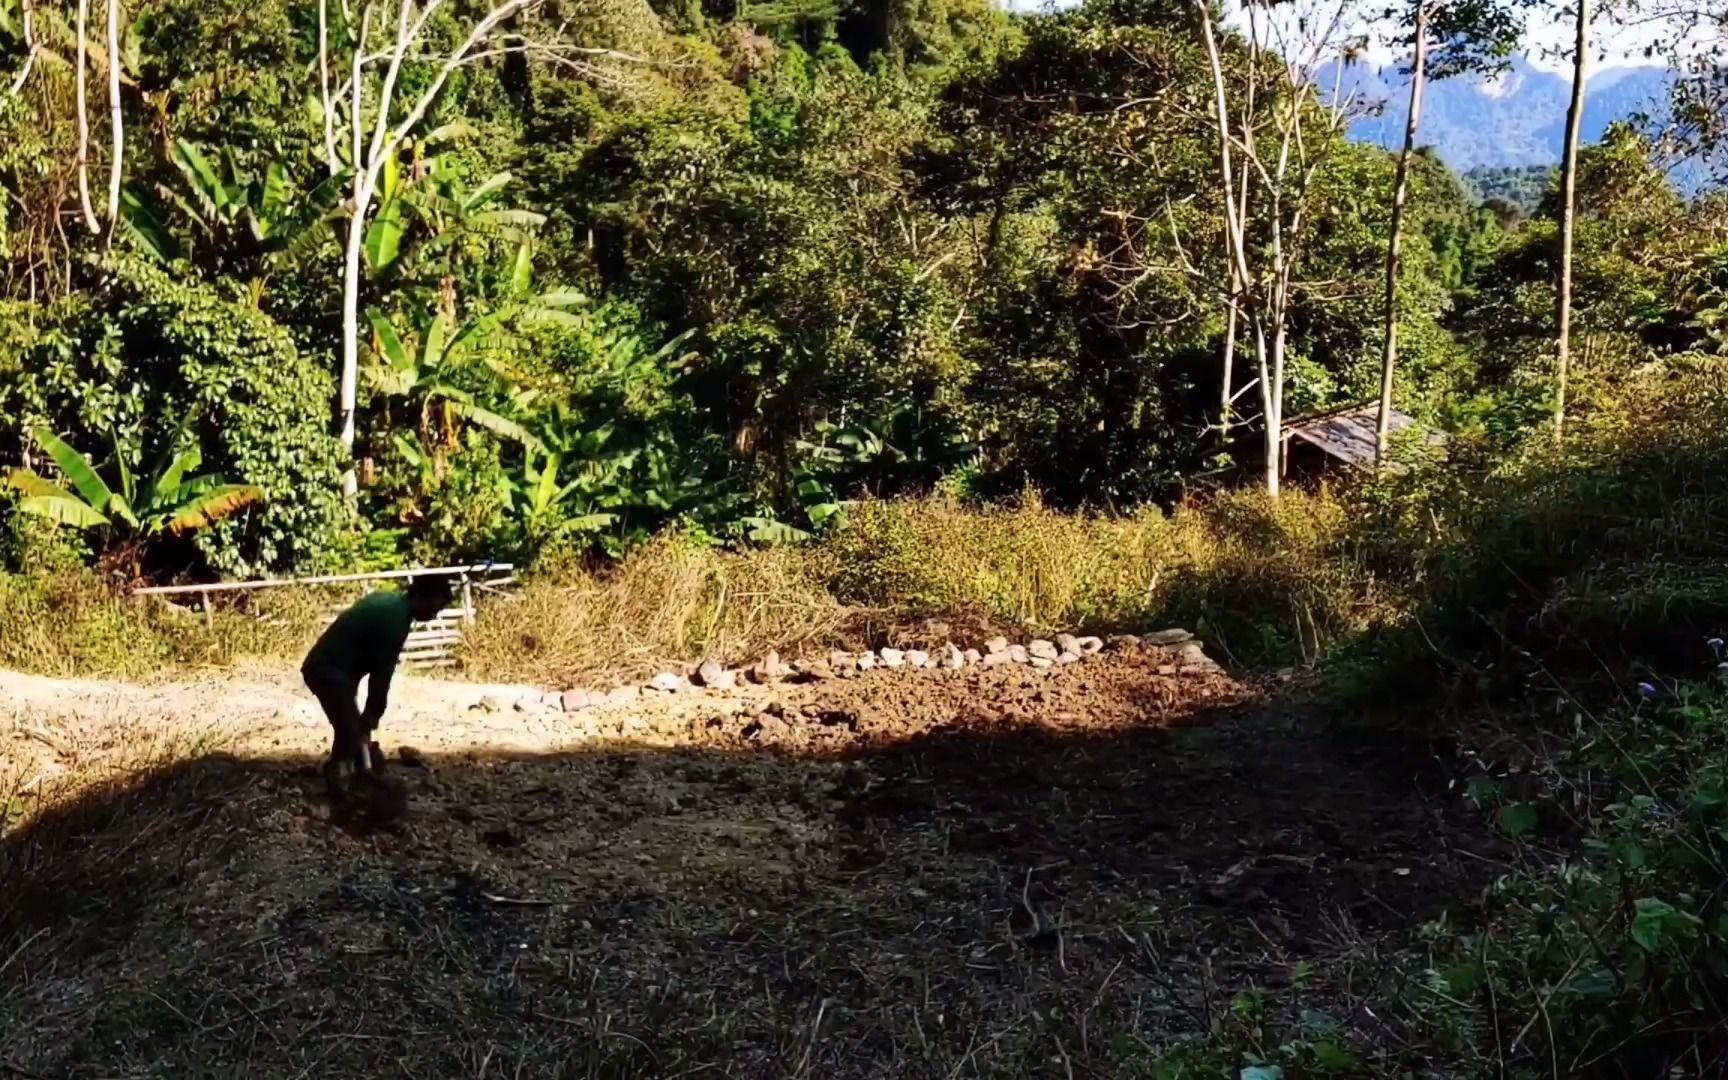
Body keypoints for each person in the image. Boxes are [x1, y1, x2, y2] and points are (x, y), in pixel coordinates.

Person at [302, 576, 452, 800]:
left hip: (335, 669)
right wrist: (372, 716)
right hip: (328, 670)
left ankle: (358, 771)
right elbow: (381, 676)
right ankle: (340, 785)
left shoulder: (387, 600)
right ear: (420, 596)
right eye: (434, 607)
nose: (434, 615)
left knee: (351, 727)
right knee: (349, 730)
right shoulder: (396, 621)